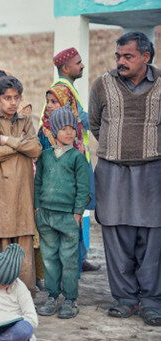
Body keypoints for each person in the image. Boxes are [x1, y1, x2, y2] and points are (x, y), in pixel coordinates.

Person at [89, 31, 161, 326]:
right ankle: (125, 299)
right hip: (113, 171)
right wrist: (117, 147)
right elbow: (94, 124)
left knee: (152, 236)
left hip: (153, 172)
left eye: (127, 56)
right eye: (118, 56)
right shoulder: (102, 85)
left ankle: (152, 300)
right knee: (117, 235)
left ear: (146, 56)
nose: (120, 61)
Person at [0, 76, 42, 293]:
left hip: (24, 191)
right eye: (7, 98)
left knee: (24, 238)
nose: (12, 102)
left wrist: (8, 140)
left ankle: (25, 294)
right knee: (1, 241)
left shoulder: (26, 121)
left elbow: (36, 149)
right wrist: (21, 144)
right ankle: (0, 293)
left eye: (16, 97)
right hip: (0, 192)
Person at [44, 47, 100, 273]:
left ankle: (79, 259)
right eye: (78, 63)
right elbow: (73, 121)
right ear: (66, 68)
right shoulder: (61, 91)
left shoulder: (68, 89)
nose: (82, 66)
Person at [35, 107, 90, 319]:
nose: (69, 133)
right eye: (64, 129)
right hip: (46, 215)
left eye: (72, 129)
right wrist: (38, 207)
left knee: (68, 259)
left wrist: (77, 214)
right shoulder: (45, 156)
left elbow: (83, 189)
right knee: (49, 258)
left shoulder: (77, 158)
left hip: (68, 217)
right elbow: (37, 182)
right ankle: (52, 296)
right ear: (54, 130)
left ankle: (70, 299)